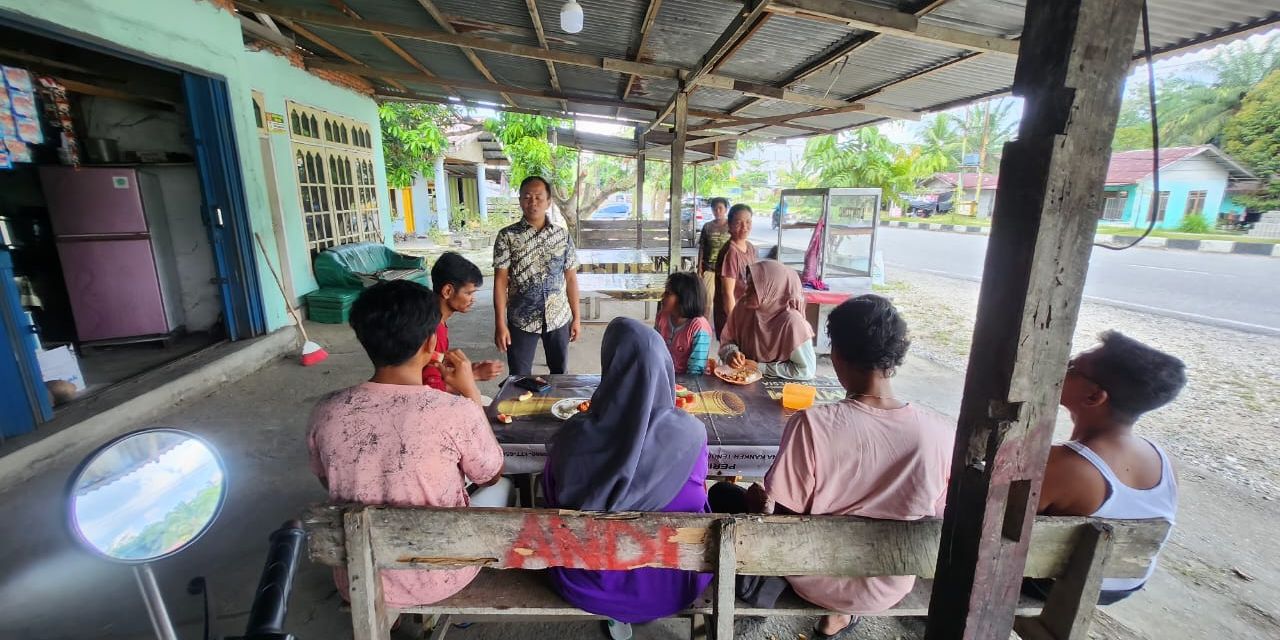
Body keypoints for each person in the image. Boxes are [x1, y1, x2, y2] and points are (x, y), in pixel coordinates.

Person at [709, 295, 954, 639]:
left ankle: (776, 596)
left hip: (812, 577)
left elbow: (779, 517)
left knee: (721, 493)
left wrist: (759, 505)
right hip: (889, 584)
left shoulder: (813, 425)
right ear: (896, 357)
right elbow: (939, 513)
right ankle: (839, 618)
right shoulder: (940, 432)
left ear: (837, 355)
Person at [307, 280, 511, 627]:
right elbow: (488, 473)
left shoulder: (325, 411)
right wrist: (470, 393)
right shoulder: (454, 411)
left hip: (361, 573)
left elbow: (329, 479)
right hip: (442, 574)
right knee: (504, 486)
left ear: (364, 340)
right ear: (431, 342)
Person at [542, 317, 713, 640]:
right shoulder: (691, 435)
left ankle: (618, 612)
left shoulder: (573, 438)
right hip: (676, 583)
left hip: (586, 583)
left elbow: (550, 500)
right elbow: (698, 497)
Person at [1030, 331, 1185, 604]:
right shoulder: (1164, 459)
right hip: (1121, 585)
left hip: (1055, 585)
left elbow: (998, 522)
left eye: (1072, 367)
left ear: (1094, 397)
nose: (1061, 367)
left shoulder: (1065, 465)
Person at [493, 175, 581, 376]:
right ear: (520, 200)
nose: (532, 202)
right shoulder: (507, 236)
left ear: (549, 202)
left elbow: (571, 278)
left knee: (559, 375)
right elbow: (500, 281)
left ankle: (557, 408)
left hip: (558, 317)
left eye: (539, 197)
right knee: (519, 377)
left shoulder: (562, 236)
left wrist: (576, 318)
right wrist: (499, 323)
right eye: (527, 197)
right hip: (521, 319)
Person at [719, 260, 816, 381]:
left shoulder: (793, 324)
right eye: (747, 284)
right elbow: (727, 341)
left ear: (772, 291)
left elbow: (806, 371)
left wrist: (760, 368)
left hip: (779, 392)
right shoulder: (743, 308)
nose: (746, 291)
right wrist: (731, 354)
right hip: (743, 382)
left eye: (754, 288)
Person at [422, 252, 504, 394]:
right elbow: (431, 390)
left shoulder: (430, 318)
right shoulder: (435, 331)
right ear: (448, 291)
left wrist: (468, 369)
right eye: (468, 293)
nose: (473, 299)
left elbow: (435, 368)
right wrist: (476, 375)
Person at [654, 271, 713, 375]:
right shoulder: (662, 317)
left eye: (668, 293)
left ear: (684, 298)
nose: (663, 296)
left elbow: (696, 369)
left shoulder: (699, 327)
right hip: (663, 375)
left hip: (688, 381)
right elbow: (654, 349)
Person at [714, 203, 757, 338]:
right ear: (730, 225)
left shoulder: (750, 248)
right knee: (734, 356)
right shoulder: (730, 253)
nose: (744, 227)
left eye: (748, 222)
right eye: (739, 223)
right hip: (732, 316)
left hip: (746, 314)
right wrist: (735, 323)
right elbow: (728, 293)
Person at [698, 197, 731, 319]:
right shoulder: (707, 227)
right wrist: (699, 267)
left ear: (725, 210)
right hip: (709, 269)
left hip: (727, 270)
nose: (717, 211)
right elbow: (702, 247)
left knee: (726, 300)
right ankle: (704, 326)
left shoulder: (731, 226)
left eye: (720, 208)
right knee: (707, 302)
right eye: (715, 209)